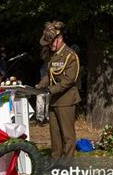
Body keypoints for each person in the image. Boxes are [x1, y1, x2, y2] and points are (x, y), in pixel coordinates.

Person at [36, 21, 81, 164]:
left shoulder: (70, 56)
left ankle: (67, 164)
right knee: (55, 134)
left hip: (66, 100)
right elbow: (48, 76)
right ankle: (55, 160)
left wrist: (50, 90)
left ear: (59, 39)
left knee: (67, 135)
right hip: (54, 99)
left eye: (50, 43)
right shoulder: (53, 56)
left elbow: (69, 80)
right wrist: (39, 86)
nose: (49, 46)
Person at [35, 46, 51, 126]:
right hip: (40, 86)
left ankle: (48, 118)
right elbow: (36, 75)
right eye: (43, 52)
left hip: (49, 87)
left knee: (48, 104)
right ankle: (39, 119)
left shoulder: (52, 63)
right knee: (40, 103)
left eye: (46, 52)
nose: (45, 54)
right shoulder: (39, 64)